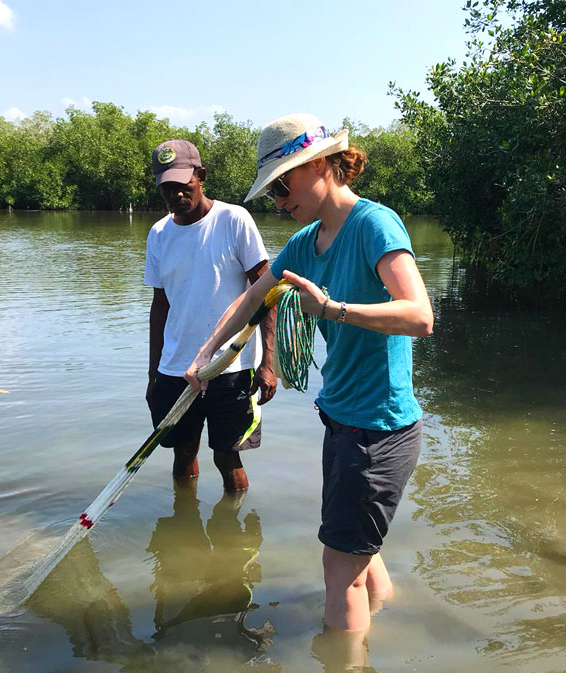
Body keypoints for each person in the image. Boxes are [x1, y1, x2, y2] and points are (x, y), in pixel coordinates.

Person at [184, 113, 434, 631]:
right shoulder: (305, 243)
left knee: (339, 569)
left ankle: (345, 669)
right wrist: (205, 355)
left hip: (380, 428)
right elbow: (250, 300)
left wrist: (333, 310)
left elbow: (419, 316)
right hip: (340, 420)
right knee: (359, 553)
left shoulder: (374, 225)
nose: (278, 203)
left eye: (282, 186)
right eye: (272, 192)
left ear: (319, 164)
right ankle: (393, 623)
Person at [145, 139, 277, 492]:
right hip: (175, 368)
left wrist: (267, 364)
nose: (176, 194)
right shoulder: (159, 234)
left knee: (226, 456)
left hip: (229, 367)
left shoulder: (234, 219)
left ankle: (233, 523)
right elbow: (160, 306)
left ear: (201, 177)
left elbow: (266, 292)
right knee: (183, 451)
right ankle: (184, 518)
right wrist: (153, 375)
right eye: (167, 188)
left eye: (183, 184)